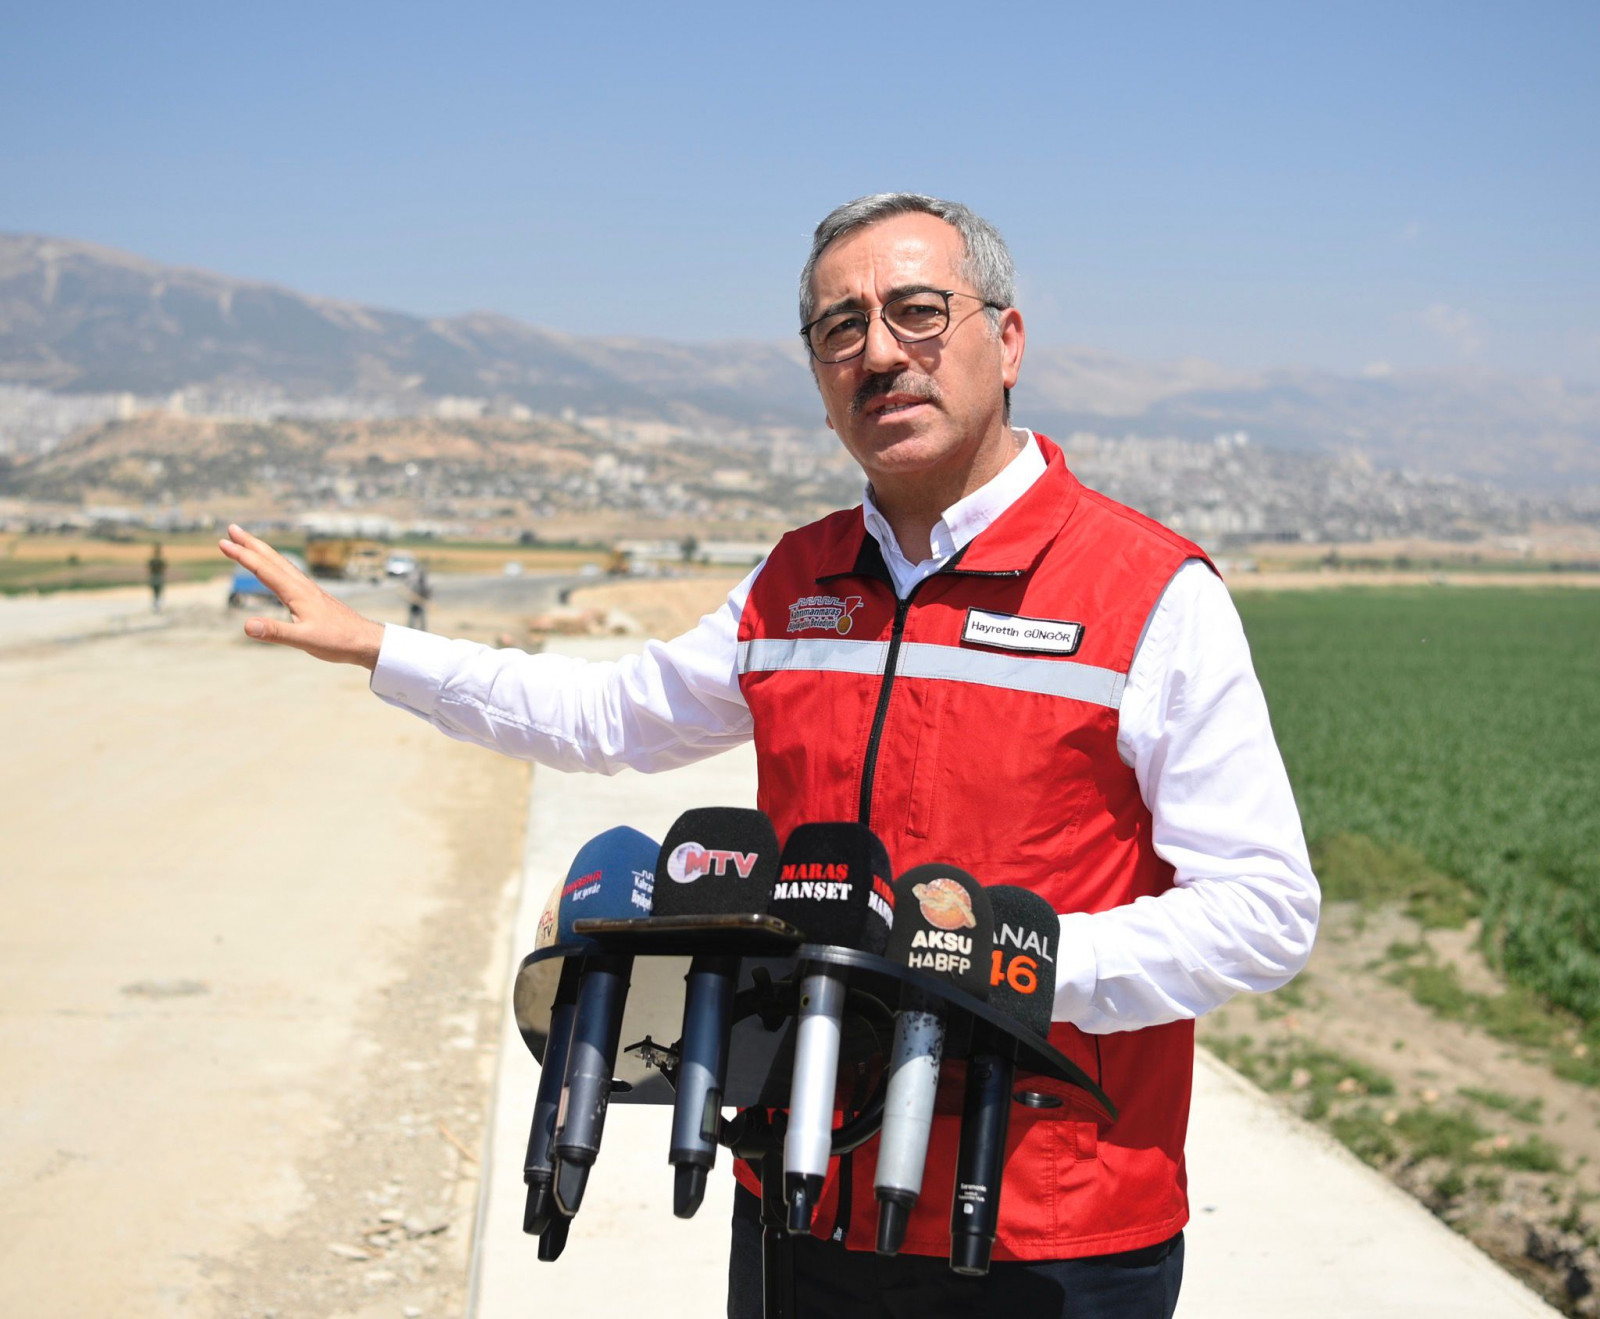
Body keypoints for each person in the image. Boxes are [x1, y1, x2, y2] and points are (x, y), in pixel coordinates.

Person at [218, 193, 1318, 1319]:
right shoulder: (795, 581)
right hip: (802, 1195)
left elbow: (1264, 909)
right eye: (841, 328)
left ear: (1009, 340)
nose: (879, 353)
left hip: (1045, 1228)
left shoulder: (1149, 592)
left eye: (918, 311)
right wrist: (379, 646)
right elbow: (608, 715)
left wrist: (1019, 959)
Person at [147, 542, 167, 612]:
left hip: (154, 576)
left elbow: (149, 569)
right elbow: (163, 569)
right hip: (158, 576)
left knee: (155, 592)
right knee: (158, 592)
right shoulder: (161, 561)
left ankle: (156, 605)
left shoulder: (152, 561)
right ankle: (157, 606)